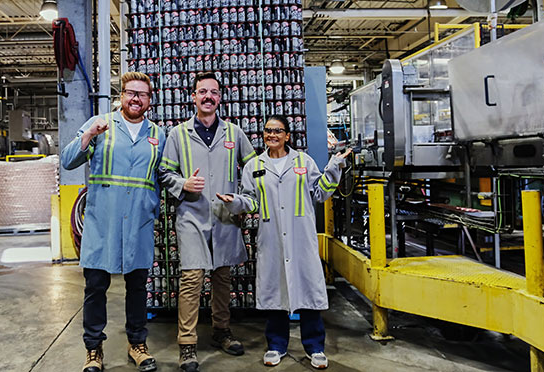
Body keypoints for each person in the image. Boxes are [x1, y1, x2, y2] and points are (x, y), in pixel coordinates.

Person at [217, 115, 352, 370]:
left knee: (309, 292)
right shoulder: (254, 166)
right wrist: (233, 201)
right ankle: (276, 345)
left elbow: (320, 192)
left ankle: (315, 347)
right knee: (276, 293)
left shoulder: (303, 161)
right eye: (268, 131)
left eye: (278, 131)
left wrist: (334, 166)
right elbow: (251, 201)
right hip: (272, 238)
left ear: (287, 135)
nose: (272, 135)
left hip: (301, 239)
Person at [61, 72, 166, 372]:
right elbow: (68, 161)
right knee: (95, 287)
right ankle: (93, 350)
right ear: (121, 96)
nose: (136, 98)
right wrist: (88, 134)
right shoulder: (101, 123)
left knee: (137, 288)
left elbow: (163, 176)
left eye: (142, 94)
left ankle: (138, 345)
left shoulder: (158, 134)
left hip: (139, 223)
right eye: (131, 92)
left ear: (149, 99)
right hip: (102, 222)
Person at [159, 72, 257, 372]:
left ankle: (221, 331)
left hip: (225, 216)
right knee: (191, 279)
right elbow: (164, 173)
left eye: (214, 92)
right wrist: (183, 185)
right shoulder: (178, 134)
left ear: (220, 98)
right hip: (192, 215)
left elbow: (253, 168)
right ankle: (187, 345)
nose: (208, 97)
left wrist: (241, 199)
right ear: (193, 97)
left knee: (222, 276)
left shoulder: (234, 133)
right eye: (203, 91)